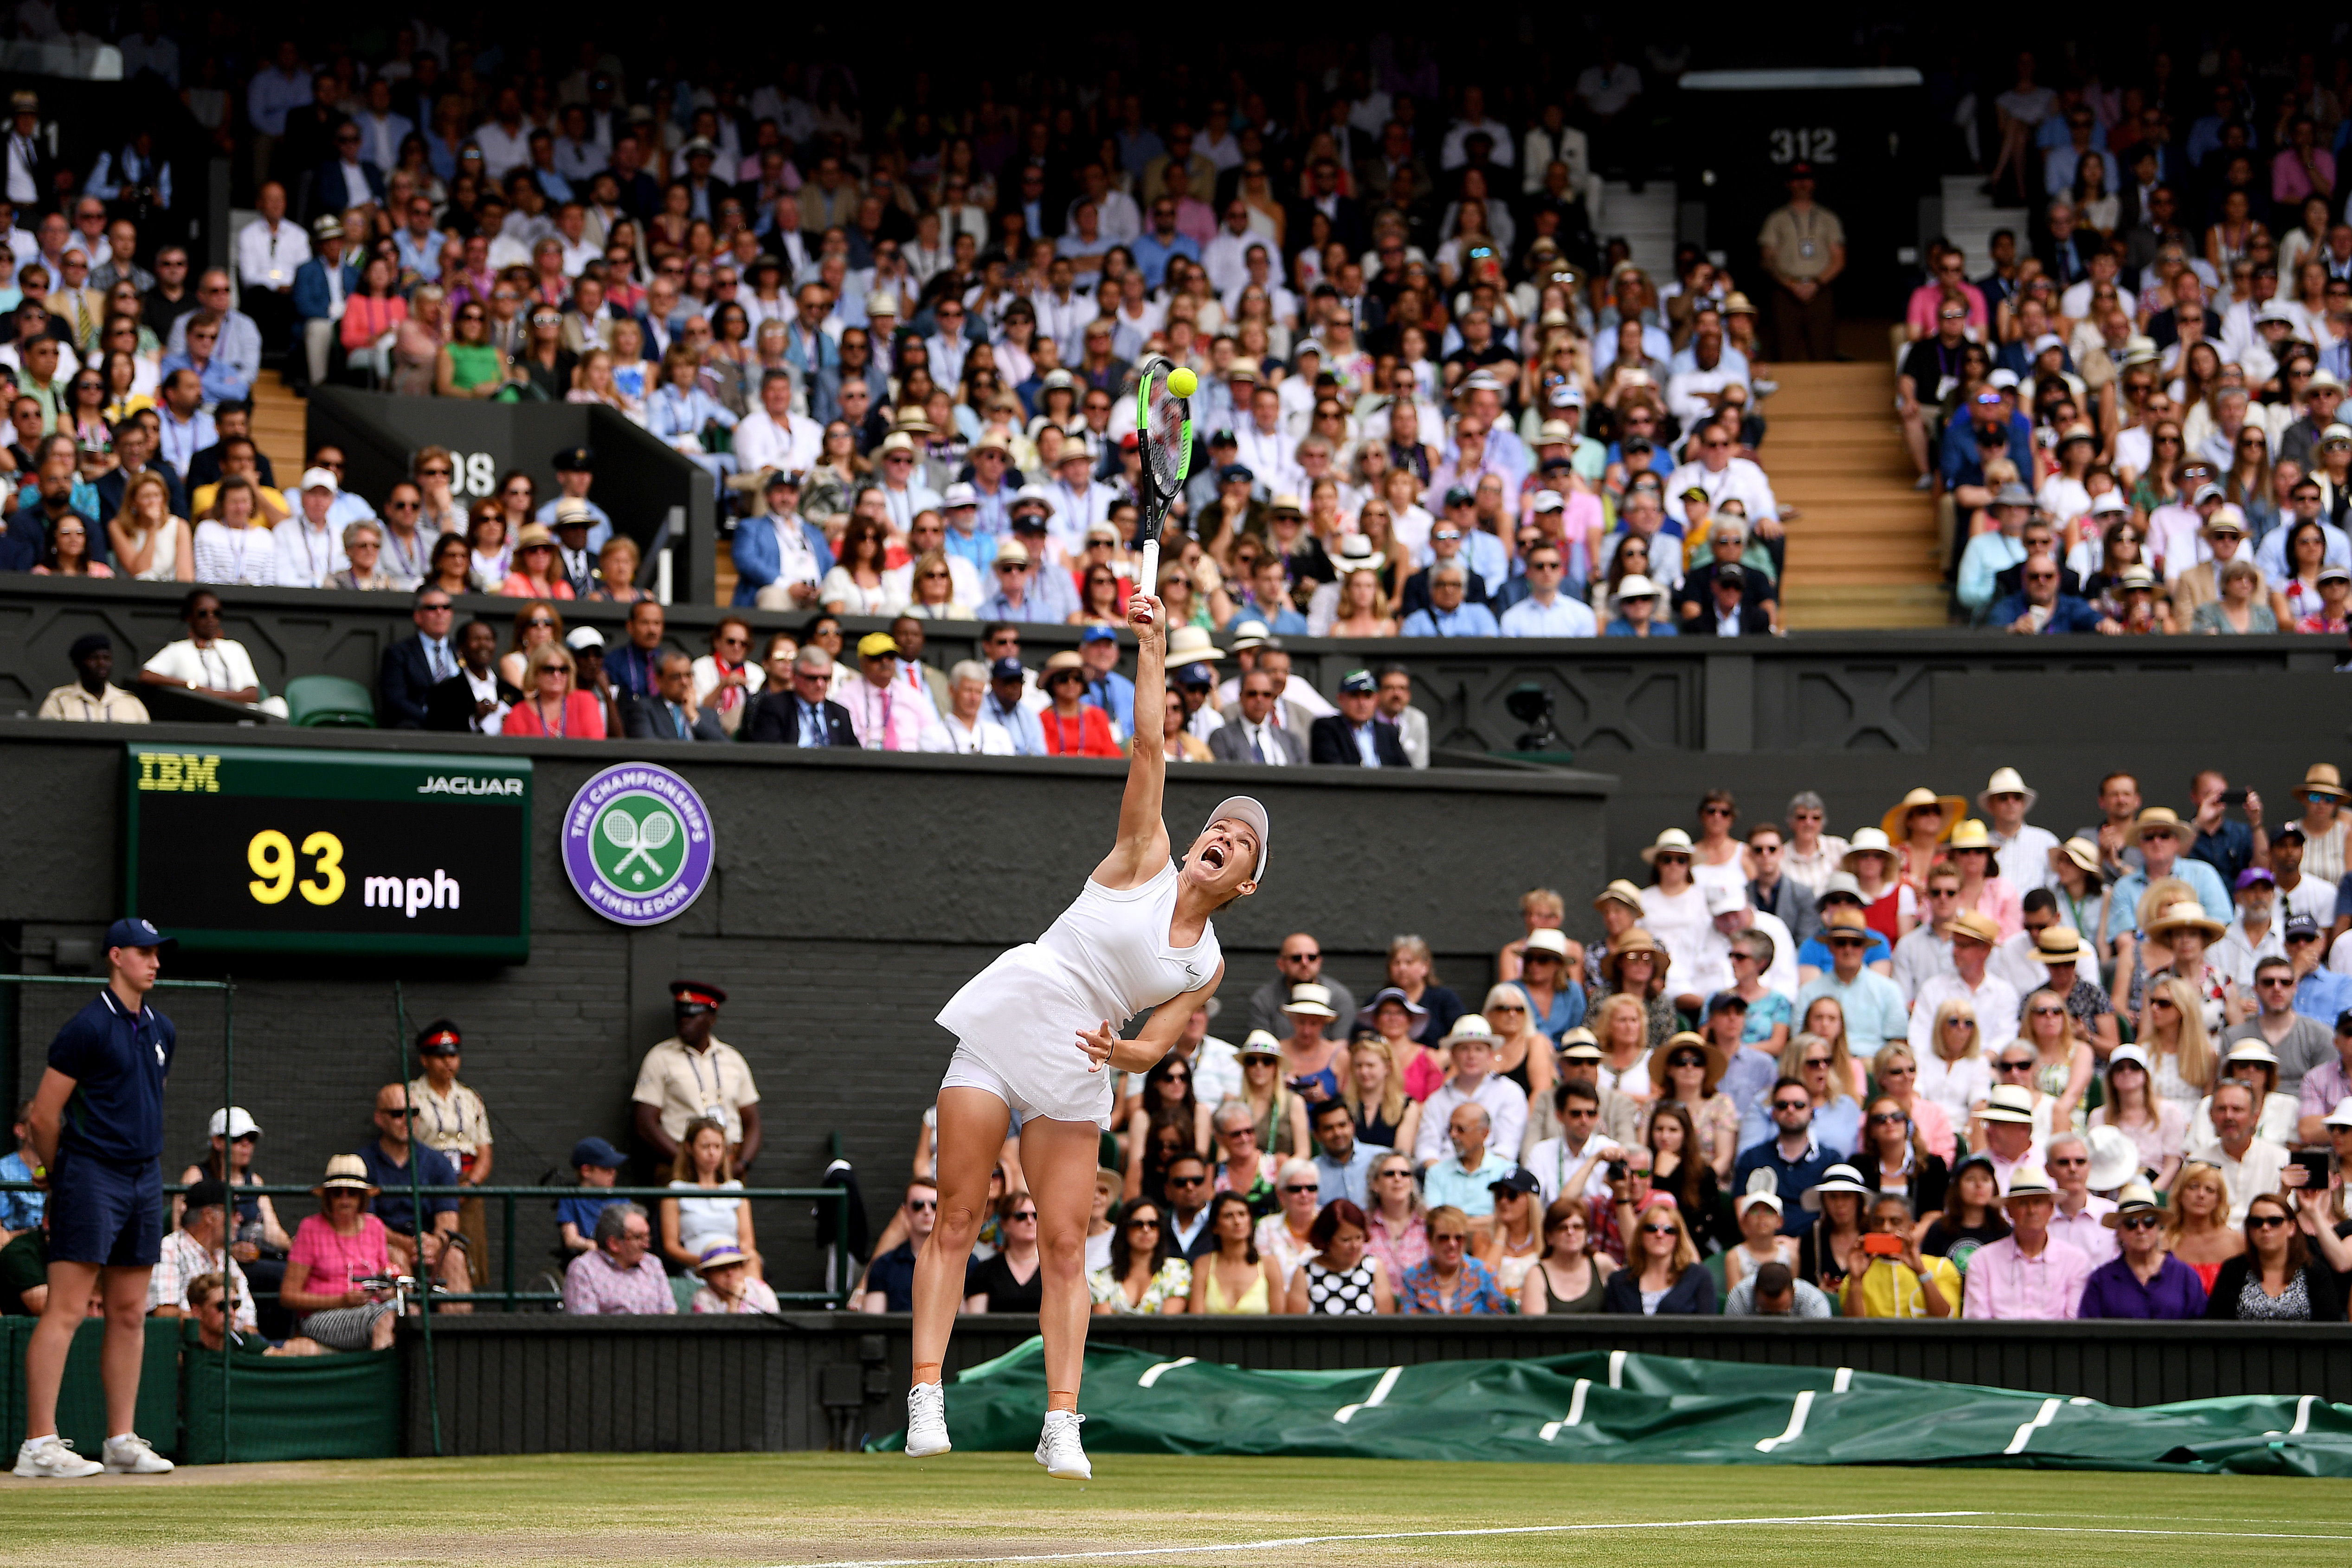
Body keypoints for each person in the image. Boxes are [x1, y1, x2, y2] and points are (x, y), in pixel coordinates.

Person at [908, 585, 1257, 1480]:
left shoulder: (1205, 963)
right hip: (1015, 1008)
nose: (1220, 833)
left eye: (1240, 840)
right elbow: (1148, 745)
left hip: (1078, 1057)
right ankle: (924, 1396)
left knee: (1066, 1241)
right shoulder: (1144, 850)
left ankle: (1060, 1422)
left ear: (1245, 881)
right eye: (1217, 824)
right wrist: (1152, 648)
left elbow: (1156, 1045)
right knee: (959, 1212)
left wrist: (1127, 1053)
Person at [14, 916, 177, 1478]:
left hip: (144, 1177)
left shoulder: (163, 1030)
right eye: (143, 951)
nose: (154, 961)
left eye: (158, 953)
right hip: (90, 1175)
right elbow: (42, 1114)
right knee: (67, 1309)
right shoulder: (86, 1026)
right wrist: (60, 1173)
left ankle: (121, 1440)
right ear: (115, 956)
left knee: (130, 1312)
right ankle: (38, 1444)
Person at [631, 981, 762, 1177]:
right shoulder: (660, 1057)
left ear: (712, 1018)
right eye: (681, 1015)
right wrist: (686, 1162)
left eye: (693, 1015)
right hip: (679, 1161)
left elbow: (752, 1122)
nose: (684, 1021)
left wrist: (742, 1164)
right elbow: (645, 1123)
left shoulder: (733, 1059)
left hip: (729, 1160)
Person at [279, 1155, 400, 1351]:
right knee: (385, 1319)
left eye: (352, 1193)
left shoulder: (375, 1226)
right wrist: (341, 1300)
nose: (345, 1200)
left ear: (362, 1197)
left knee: (409, 1314)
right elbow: (288, 1296)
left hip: (373, 1310)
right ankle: (380, 1380)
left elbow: (384, 1276)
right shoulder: (310, 1228)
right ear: (328, 1198)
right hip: (322, 1317)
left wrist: (386, 1291)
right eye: (337, 1194)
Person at [1959, 1166, 2091, 1319]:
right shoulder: (1983, 1260)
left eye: (2038, 1202)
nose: (2031, 1210)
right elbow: (1978, 1322)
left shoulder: (2075, 1261)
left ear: (2051, 1209)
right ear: (2009, 1211)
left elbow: (2075, 1324)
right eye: (2022, 1203)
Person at [2204, 1191, 2347, 1322]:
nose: (2265, 1228)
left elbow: (2331, 1327)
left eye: (2275, 1222)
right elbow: (2217, 1323)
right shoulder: (2233, 1270)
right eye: (2257, 1222)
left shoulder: (2315, 1272)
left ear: (2292, 1227)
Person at [2079, 1182, 2208, 1318]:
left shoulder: (2185, 1276)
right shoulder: (2102, 1280)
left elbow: (2201, 1330)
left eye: (2149, 1221)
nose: (2141, 1230)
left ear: (2159, 1227)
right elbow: (2089, 1332)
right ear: (2119, 1231)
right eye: (2131, 1224)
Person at [1734, 1078, 1842, 1235]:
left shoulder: (1831, 1160)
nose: (1790, 1110)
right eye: (1783, 1105)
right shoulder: (1752, 1158)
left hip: (1816, 1249)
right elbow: (1743, 1215)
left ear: (1812, 1112)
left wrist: (1800, 1246)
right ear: (1773, 1113)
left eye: (1799, 1105)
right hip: (1764, 1248)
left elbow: (1839, 1216)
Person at [661, 1115, 757, 1278]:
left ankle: (751, 1302)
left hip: (733, 1261)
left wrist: (732, 1259)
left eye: (718, 1147)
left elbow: (747, 1240)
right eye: (705, 1147)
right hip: (697, 1265)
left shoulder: (736, 1189)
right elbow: (671, 1245)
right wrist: (704, 1261)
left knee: (754, 1259)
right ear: (690, 1148)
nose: (712, 1153)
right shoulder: (675, 1190)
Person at [1601, 1195, 1716, 1314]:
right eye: (1652, 1228)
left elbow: (1708, 1327)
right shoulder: (1618, 1282)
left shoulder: (1699, 1277)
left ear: (1678, 1238)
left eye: (1669, 1230)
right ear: (1640, 1235)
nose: (1660, 1235)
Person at [561, 1202, 673, 1315]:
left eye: (647, 1236)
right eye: (639, 1237)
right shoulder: (584, 1270)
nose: (647, 1245)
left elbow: (669, 1313)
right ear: (614, 1244)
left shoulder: (653, 1264)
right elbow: (586, 1325)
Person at [1186, 1189, 1284, 1315]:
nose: (1237, 1222)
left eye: (1242, 1214)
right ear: (1215, 1227)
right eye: (1228, 1216)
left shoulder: (1270, 1264)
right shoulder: (1203, 1265)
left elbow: (1279, 1322)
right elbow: (1196, 1321)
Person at [1396, 1203, 1506, 1314]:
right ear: (1430, 1240)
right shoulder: (1413, 1277)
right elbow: (1408, 1325)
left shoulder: (1485, 1274)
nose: (1453, 1244)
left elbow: (1500, 1322)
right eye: (1444, 1238)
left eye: (1459, 1238)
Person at [1516, 1195, 1616, 1314]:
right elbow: (1534, 1327)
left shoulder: (1602, 1264)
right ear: (1549, 1236)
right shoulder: (1537, 1274)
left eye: (1578, 1227)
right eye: (1562, 1228)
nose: (1570, 1232)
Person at [37, 632, 149, 723]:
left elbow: (144, 746)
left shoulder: (130, 702)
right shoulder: (59, 701)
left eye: (107, 658)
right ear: (78, 664)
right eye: (94, 658)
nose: (102, 664)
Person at [555, 1138, 627, 1258]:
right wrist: (591, 1245)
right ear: (586, 1171)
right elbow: (571, 1239)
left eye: (614, 1169)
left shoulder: (621, 1198)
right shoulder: (570, 1198)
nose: (614, 1174)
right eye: (607, 1169)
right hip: (590, 1259)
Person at [690, 1243, 779, 1316]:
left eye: (734, 1267)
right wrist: (733, 1301)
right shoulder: (702, 1297)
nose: (730, 1274)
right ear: (707, 1275)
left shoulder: (759, 1288)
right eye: (722, 1269)